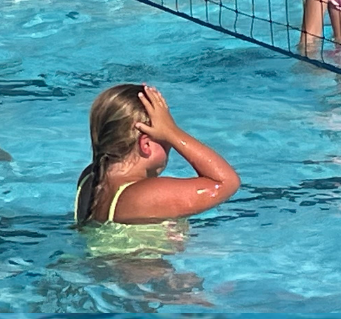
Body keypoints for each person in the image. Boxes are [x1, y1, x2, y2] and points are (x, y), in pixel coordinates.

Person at [74, 84, 240, 232]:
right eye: (165, 139)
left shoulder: (89, 178)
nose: (170, 146)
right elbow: (226, 183)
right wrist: (173, 132)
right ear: (146, 145)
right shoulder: (144, 195)